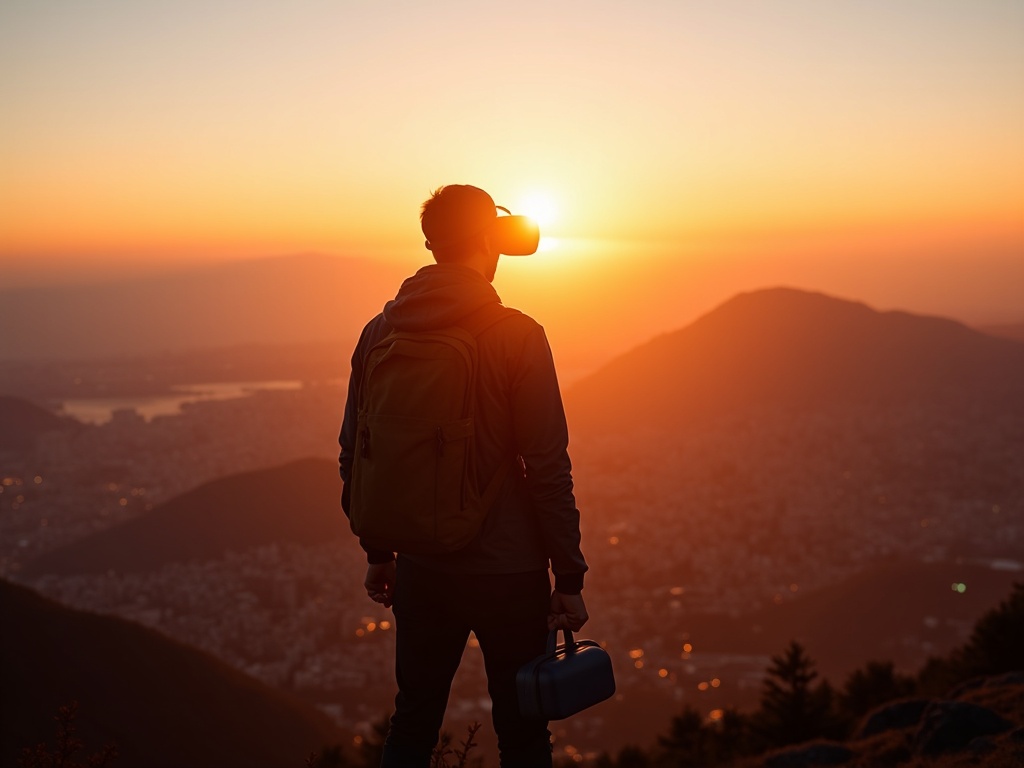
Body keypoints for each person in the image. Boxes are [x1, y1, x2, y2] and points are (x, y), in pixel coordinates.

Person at [338, 184, 589, 767]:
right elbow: (548, 465)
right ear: (487, 239)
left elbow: (358, 451)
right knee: (524, 730)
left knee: (414, 719)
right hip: (509, 569)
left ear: (431, 243)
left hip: (422, 568)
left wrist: (379, 551)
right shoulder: (516, 335)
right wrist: (569, 577)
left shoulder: (380, 332)